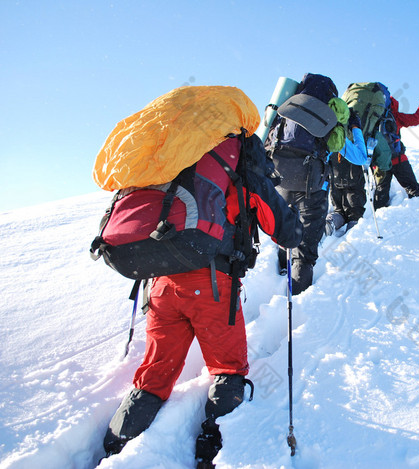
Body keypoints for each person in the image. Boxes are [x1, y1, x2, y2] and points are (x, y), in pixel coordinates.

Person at [102, 134, 303, 468]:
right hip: (211, 285)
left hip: (162, 282)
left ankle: (115, 444)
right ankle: (214, 449)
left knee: (154, 373)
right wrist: (293, 228)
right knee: (228, 368)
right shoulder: (234, 160)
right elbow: (281, 225)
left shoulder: (173, 156)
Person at [265, 73, 352, 295]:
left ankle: (282, 269)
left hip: (280, 177)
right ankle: (300, 295)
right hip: (311, 184)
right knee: (305, 247)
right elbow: (335, 144)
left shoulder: (288, 103)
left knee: (285, 227)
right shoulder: (331, 108)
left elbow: (268, 135)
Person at [373, 97, 419, 210]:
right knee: (412, 189)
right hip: (398, 159)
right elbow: (416, 118)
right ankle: (418, 212)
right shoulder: (394, 116)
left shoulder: (372, 118)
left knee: (381, 193)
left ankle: (379, 218)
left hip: (380, 162)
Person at [325, 109, 369, 236]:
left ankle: (331, 222)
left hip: (334, 176)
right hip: (352, 169)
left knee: (338, 210)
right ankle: (353, 232)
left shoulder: (322, 128)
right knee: (354, 212)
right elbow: (361, 157)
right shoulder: (341, 134)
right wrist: (356, 127)